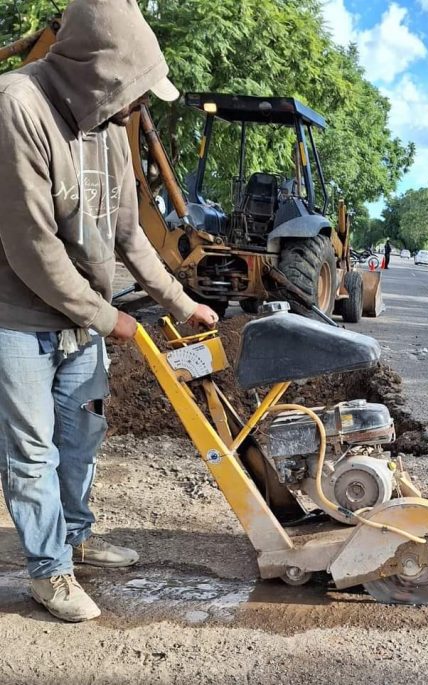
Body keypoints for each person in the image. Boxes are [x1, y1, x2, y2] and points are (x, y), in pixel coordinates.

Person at [0, 0, 218, 623]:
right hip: (18, 319)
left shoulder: (110, 127)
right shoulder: (17, 107)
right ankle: (49, 571)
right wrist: (111, 319)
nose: (139, 105)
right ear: (98, 73)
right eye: (134, 90)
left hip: (82, 324)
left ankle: (77, 538)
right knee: (32, 451)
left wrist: (182, 303)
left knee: (82, 439)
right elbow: (32, 249)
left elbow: (130, 236)